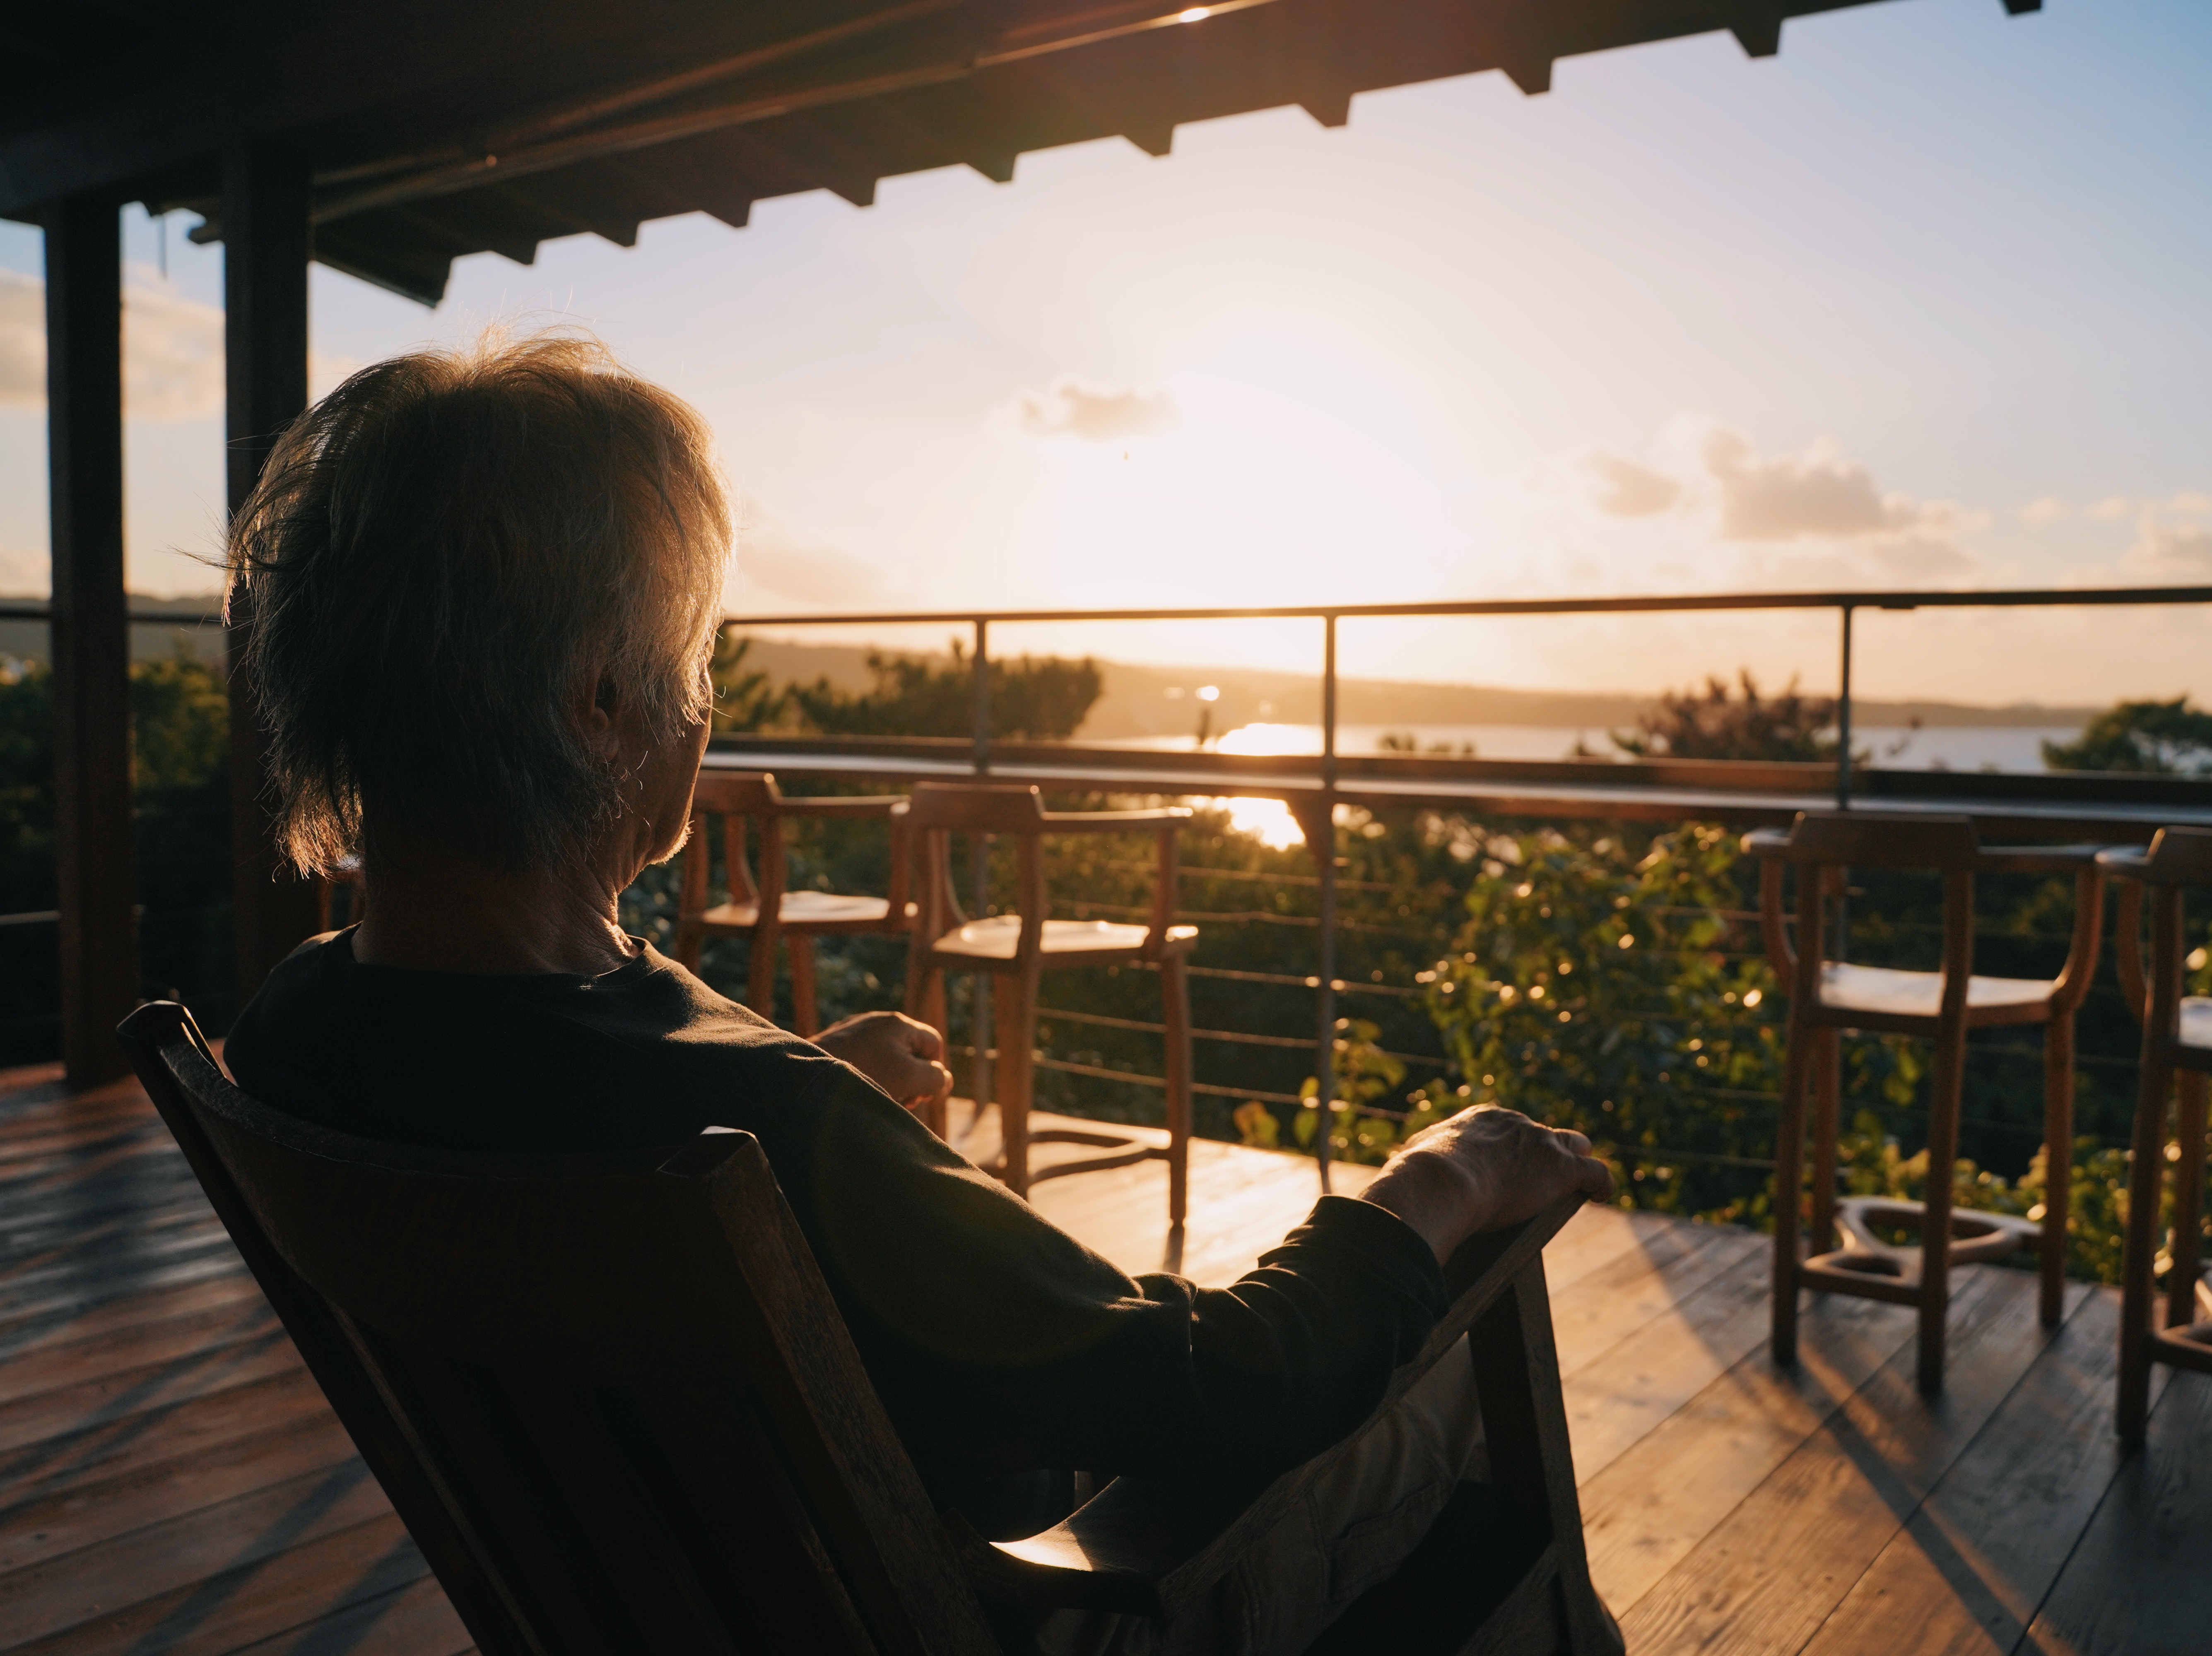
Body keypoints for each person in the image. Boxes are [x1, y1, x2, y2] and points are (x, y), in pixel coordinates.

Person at [220, 332, 1614, 1655]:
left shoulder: (296, 1033)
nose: (704, 712)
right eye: (697, 661)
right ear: (598, 698)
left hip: (654, 1601)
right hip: (1011, 1613)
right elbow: (1220, 1388)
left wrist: (798, 1141)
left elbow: (539, 1107)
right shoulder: (779, 1134)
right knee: (1457, 1352)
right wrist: (1437, 1180)